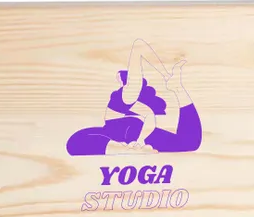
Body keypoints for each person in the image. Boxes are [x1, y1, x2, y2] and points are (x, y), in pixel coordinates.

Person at [66, 38, 202, 155]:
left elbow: (190, 143)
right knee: (77, 142)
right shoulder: (123, 100)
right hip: (117, 139)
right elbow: (75, 143)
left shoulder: (136, 102)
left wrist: (178, 90)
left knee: (188, 143)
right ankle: (121, 148)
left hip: (139, 139)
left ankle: (177, 88)